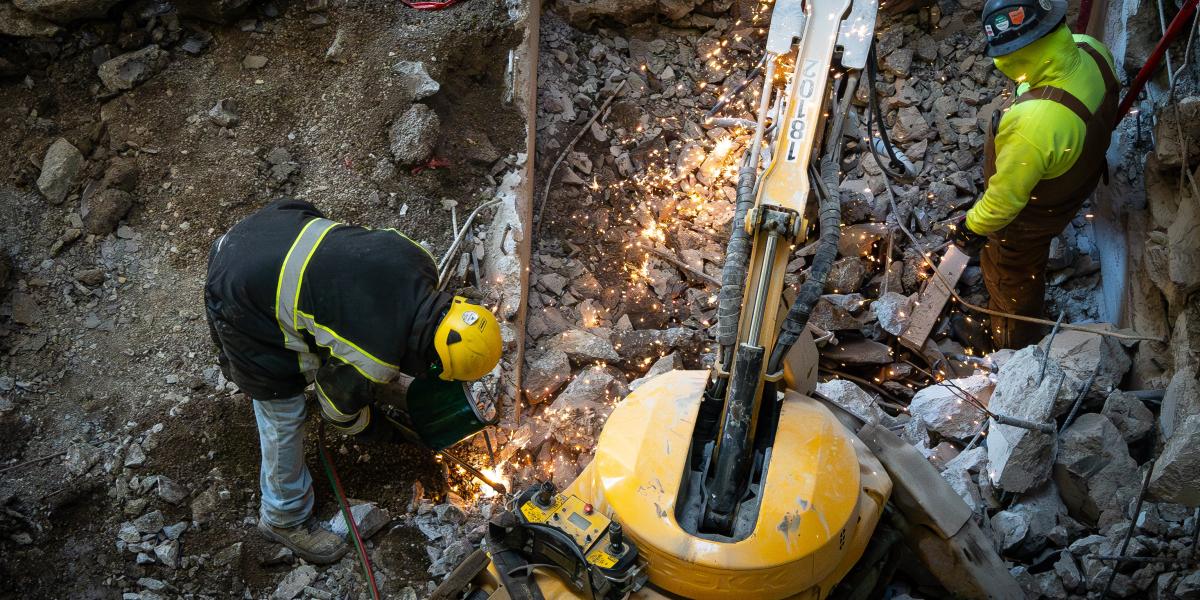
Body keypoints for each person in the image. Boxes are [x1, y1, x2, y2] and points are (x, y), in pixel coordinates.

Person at [204, 199, 503, 563]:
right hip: (239, 288)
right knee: (282, 406)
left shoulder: (420, 260)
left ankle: (245, 357)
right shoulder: (373, 357)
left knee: (326, 328)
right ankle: (283, 516)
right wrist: (379, 429)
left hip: (272, 226)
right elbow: (336, 412)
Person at [951, 0, 1118, 349]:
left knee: (1012, 274)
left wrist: (972, 227)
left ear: (1013, 55)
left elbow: (1003, 201)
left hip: (1034, 214)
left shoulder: (1033, 123)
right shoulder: (1091, 49)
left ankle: (1013, 345)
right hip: (1077, 179)